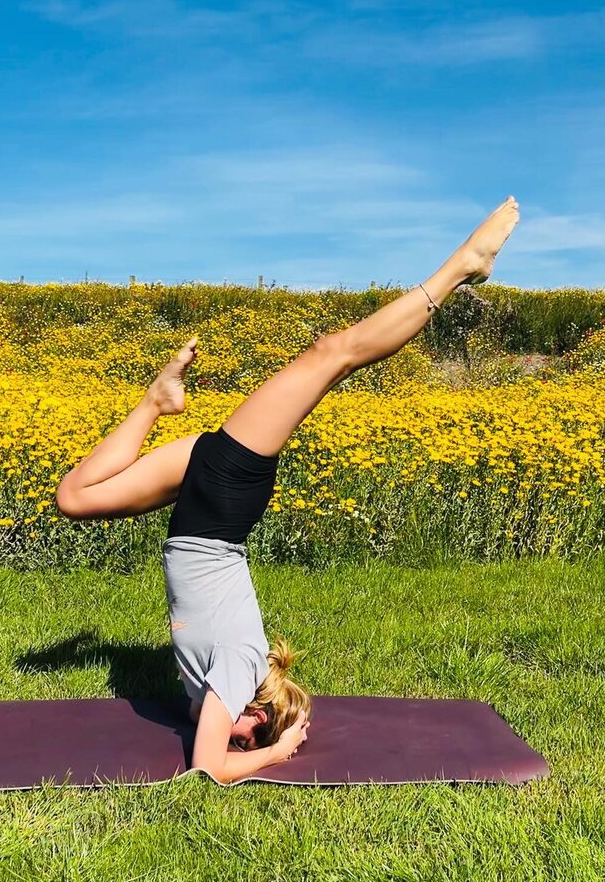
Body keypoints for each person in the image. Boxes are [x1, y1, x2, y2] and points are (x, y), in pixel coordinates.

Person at [55, 197, 520, 783]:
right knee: (333, 354)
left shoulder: (219, 691)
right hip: (221, 501)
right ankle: (461, 267)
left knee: (73, 498)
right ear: (257, 712)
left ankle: (157, 400)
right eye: (244, 736)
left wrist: (266, 738)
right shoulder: (239, 673)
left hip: (202, 506)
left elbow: (205, 741)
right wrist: (277, 751)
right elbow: (210, 769)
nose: (227, 736)